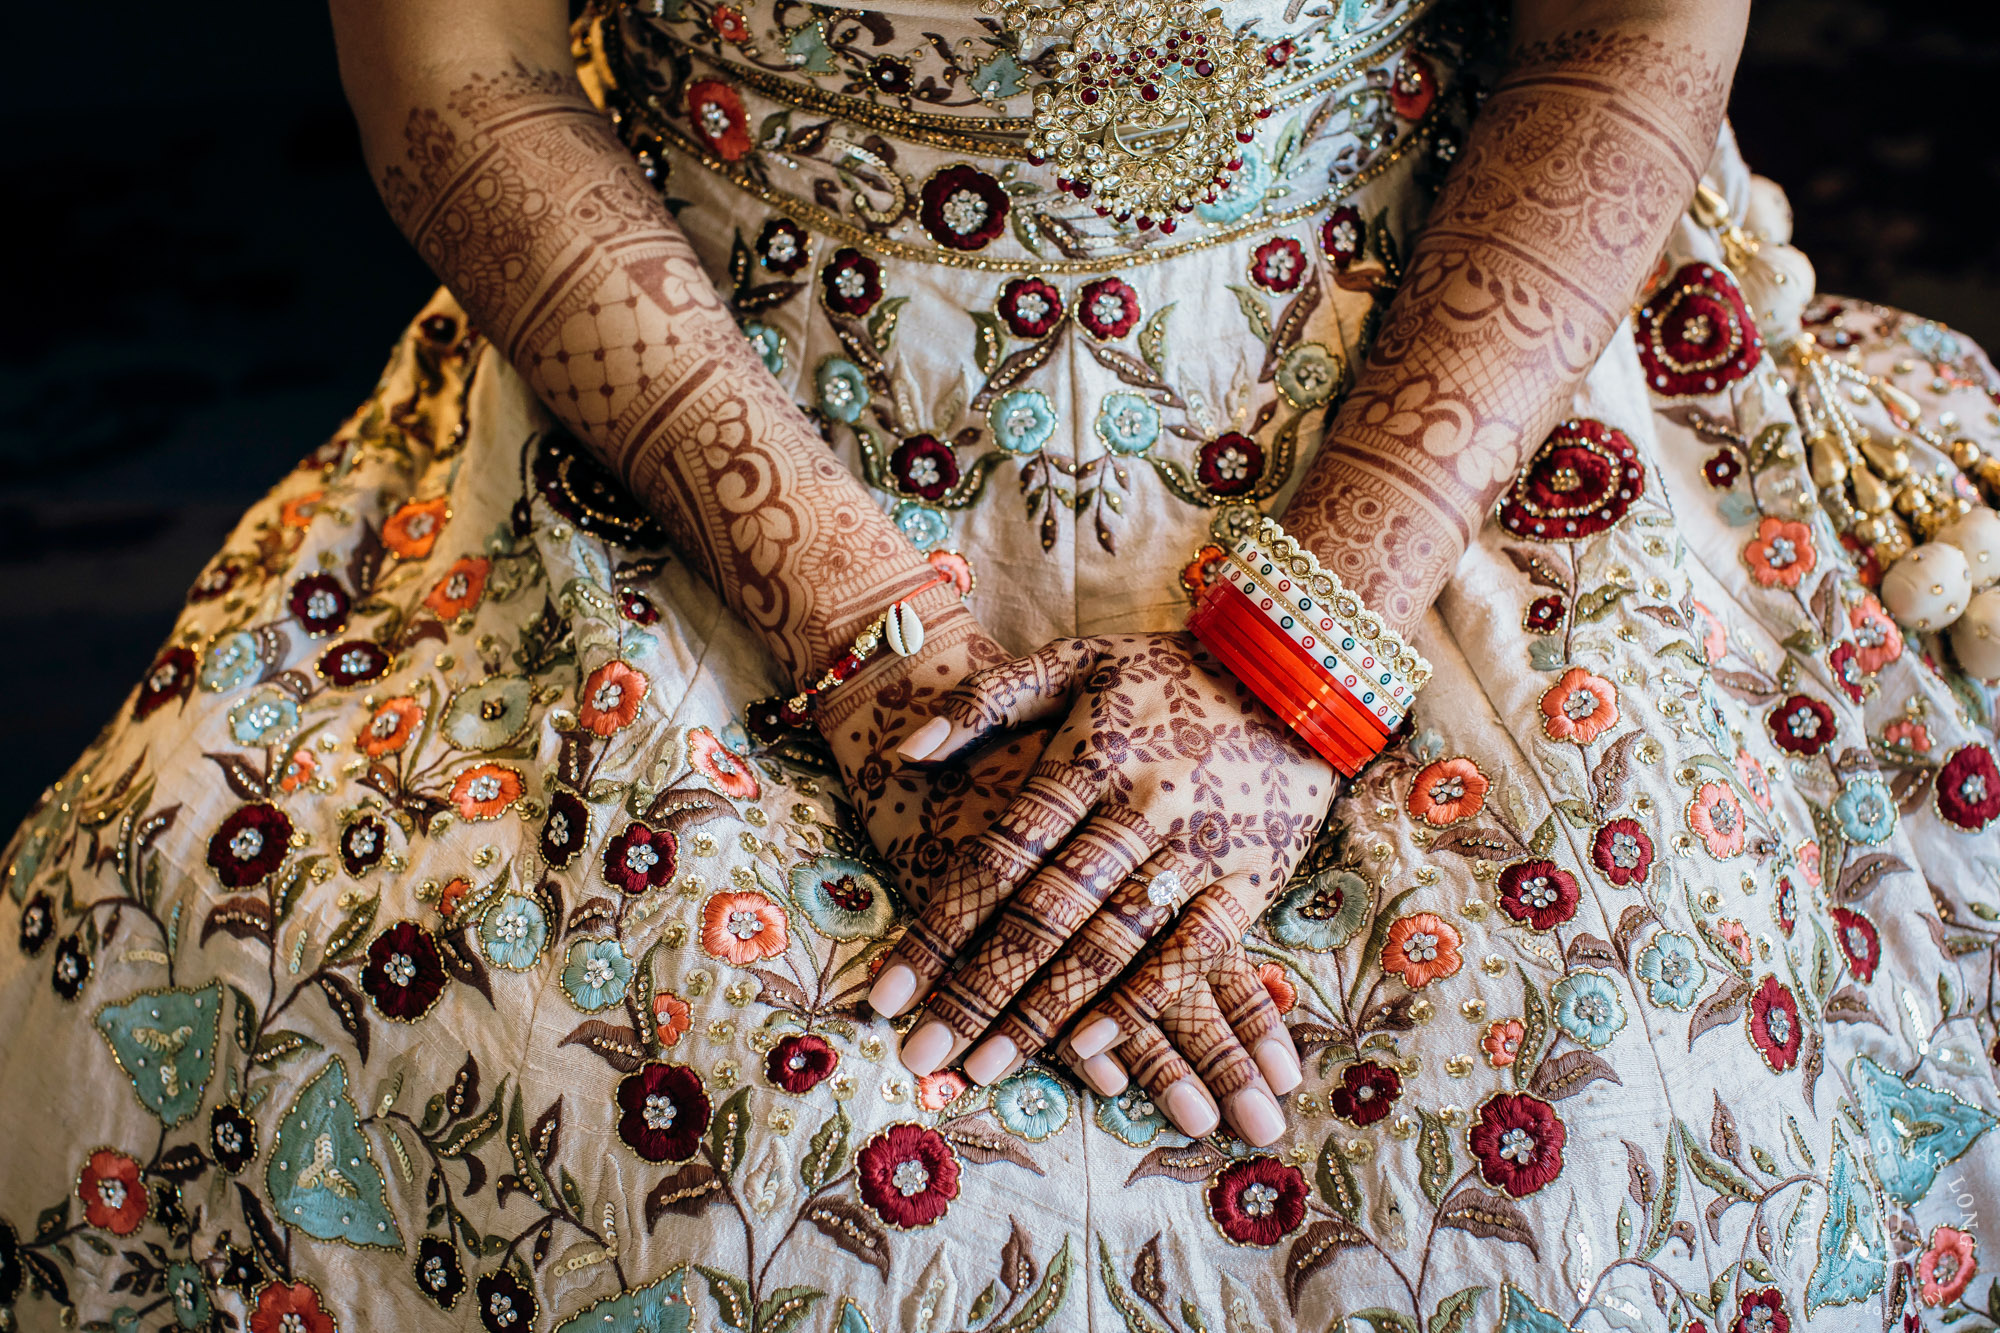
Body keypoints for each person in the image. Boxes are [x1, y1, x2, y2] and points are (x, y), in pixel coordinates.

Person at [2, 0, 1997, 1323]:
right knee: (287, 974)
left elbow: (1620, 28)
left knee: (1630, 1116)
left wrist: (1297, 662)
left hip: (1413, 385)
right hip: (717, 397)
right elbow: (462, 73)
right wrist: (872, 650)